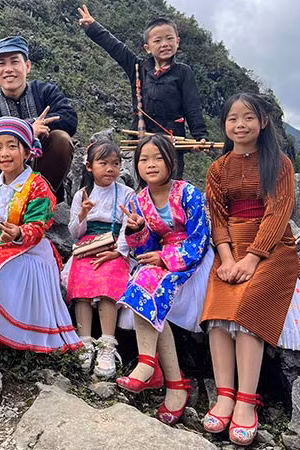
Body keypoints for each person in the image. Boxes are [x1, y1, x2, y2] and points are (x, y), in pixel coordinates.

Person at [200, 93, 300, 446]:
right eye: (233, 119)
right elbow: (219, 219)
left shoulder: (279, 163)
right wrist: (225, 259)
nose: (240, 125)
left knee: (248, 313)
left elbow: (278, 212)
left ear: (264, 122)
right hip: (230, 247)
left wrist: (251, 258)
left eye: (248, 118)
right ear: (224, 125)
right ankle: (224, 394)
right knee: (215, 317)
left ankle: (246, 399)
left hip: (272, 247)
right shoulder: (217, 169)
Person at [0, 117, 81, 354]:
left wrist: (20, 232)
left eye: (12, 146)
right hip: (1, 247)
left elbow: (38, 224)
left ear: (26, 151)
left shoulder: (37, 185)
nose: (5, 153)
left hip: (30, 250)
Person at [114, 134, 213, 426]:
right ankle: (154, 367)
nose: (151, 164)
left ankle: (166, 377)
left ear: (172, 161)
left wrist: (166, 259)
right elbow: (144, 249)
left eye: (158, 158)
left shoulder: (188, 193)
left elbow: (200, 238)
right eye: (143, 159)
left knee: (150, 283)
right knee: (143, 278)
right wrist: (137, 230)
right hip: (160, 259)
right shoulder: (139, 200)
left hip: (192, 259)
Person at [78, 5, 208, 179]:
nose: (164, 44)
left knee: (172, 185)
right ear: (147, 47)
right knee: (144, 186)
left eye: (169, 39)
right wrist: (93, 27)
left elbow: (192, 106)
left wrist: (200, 136)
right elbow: (117, 48)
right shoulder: (138, 68)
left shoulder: (184, 72)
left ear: (177, 41)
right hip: (142, 139)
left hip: (172, 143)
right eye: (157, 41)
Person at [0, 36, 78, 200]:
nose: (8, 69)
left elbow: (69, 118)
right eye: (2, 63)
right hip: (3, 174)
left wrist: (39, 132)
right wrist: (26, 131)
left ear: (28, 66)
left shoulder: (45, 91)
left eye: (14, 62)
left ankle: (43, 203)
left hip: (42, 169)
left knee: (61, 139)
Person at [62, 140, 135, 378]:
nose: (110, 169)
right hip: (87, 245)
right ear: (90, 166)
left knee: (108, 282)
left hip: (114, 246)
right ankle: (84, 342)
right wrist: (83, 214)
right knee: (80, 283)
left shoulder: (127, 193)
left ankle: (107, 343)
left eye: (115, 163)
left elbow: (127, 226)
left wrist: (119, 251)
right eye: (103, 163)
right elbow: (75, 232)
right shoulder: (82, 194)